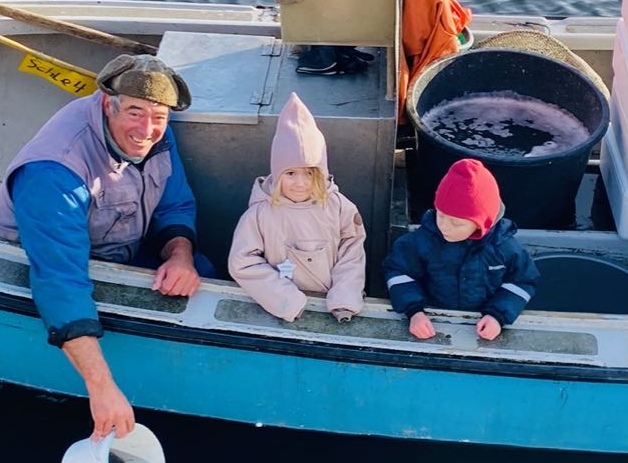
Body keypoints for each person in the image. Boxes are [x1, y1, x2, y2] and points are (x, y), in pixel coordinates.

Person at [0, 53, 209, 439]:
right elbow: (60, 281)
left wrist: (179, 255)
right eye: (135, 113)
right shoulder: (54, 173)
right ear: (107, 104)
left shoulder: (155, 131)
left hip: (122, 246)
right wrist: (101, 390)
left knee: (204, 272)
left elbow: (174, 203)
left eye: (159, 117)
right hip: (54, 262)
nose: (147, 129)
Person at [227, 92, 366, 323]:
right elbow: (243, 262)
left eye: (309, 174)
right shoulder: (260, 214)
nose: (300, 183)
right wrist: (286, 300)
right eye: (290, 173)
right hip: (284, 310)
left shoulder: (340, 207)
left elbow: (352, 253)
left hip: (332, 307)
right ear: (277, 172)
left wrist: (345, 298)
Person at [383, 158, 539, 341]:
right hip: (433, 320)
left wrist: (497, 316)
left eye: (456, 223)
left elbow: (523, 281)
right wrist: (414, 312)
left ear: (482, 223)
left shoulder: (505, 247)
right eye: (440, 215)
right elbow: (398, 271)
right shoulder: (421, 241)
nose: (444, 227)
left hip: (480, 326)